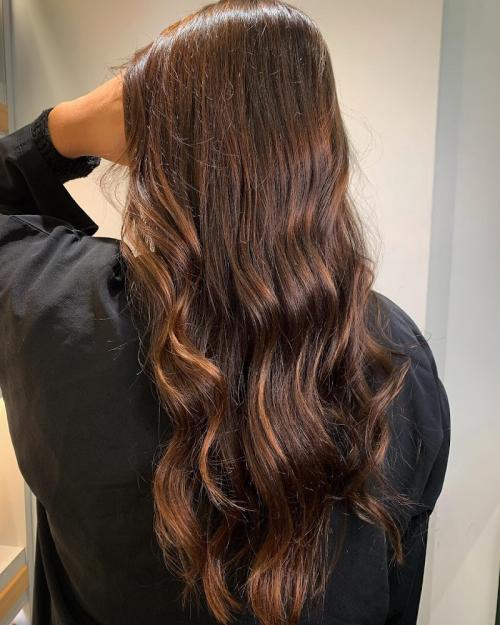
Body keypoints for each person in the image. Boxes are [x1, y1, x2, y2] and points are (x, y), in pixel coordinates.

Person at [0, 1, 450, 624]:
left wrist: (59, 131)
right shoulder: (396, 356)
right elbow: (398, 593)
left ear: (148, 144)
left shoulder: (56, 307)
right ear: (321, 149)